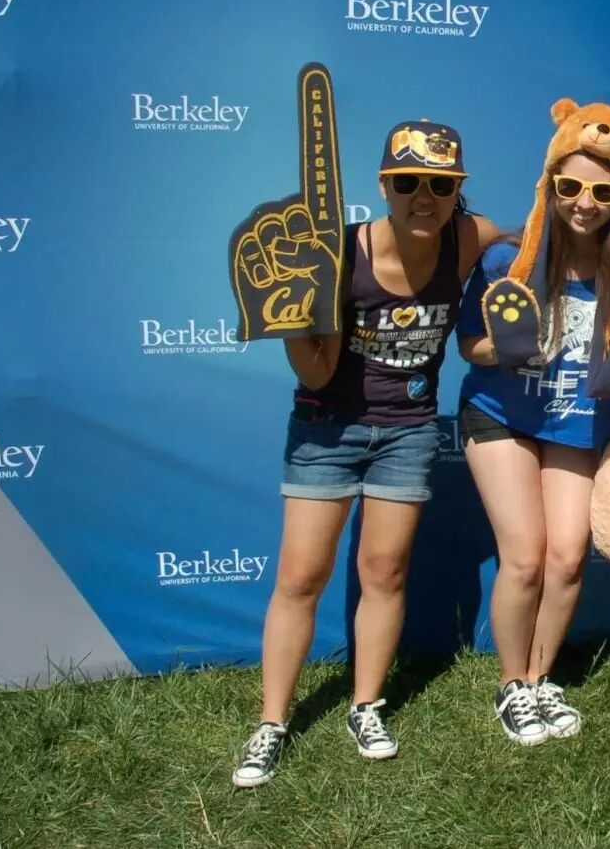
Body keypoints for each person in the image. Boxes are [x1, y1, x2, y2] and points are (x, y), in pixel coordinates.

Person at [232, 120, 499, 788]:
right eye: (407, 182)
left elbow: (533, 242)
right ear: (383, 185)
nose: (423, 197)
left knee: (385, 570)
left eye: (440, 185)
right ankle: (272, 723)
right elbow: (318, 373)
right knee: (301, 576)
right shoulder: (335, 253)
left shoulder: (468, 238)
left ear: (457, 191)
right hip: (327, 428)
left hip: (408, 431)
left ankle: (366, 706)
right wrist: (289, 318)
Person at [456, 144, 610, 745]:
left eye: (602, 192)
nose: (585, 203)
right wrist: (511, 348)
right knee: (525, 555)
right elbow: (468, 346)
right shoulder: (508, 259)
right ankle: (512, 684)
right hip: (501, 415)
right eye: (571, 188)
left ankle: (540, 680)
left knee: (566, 557)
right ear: (550, 187)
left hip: (575, 421)